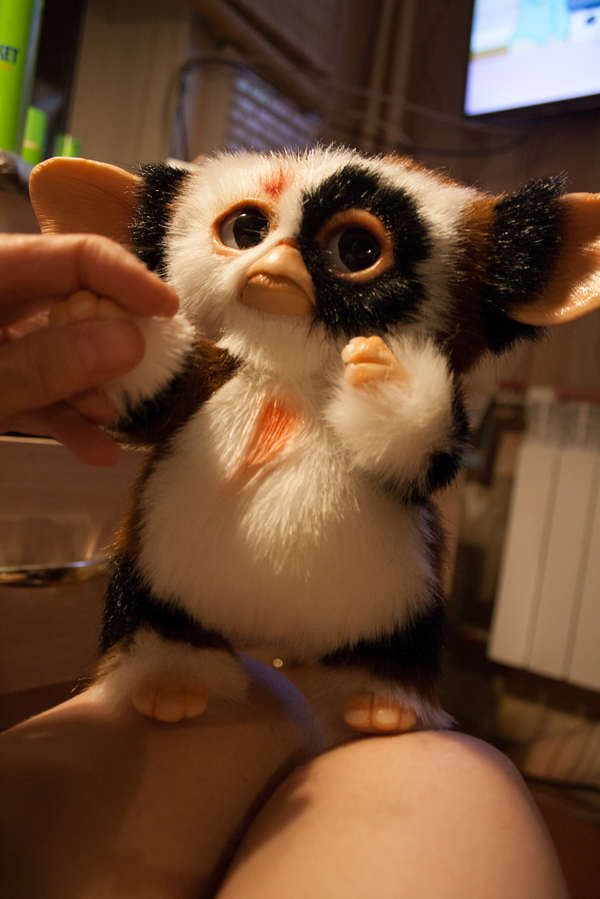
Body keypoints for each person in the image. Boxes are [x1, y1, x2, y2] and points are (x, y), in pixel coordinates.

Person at [0, 233, 569, 898]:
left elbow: (430, 463)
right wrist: (134, 353)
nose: (275, 260)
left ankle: (385, 670)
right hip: (181, 603)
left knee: (281, 701)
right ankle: (166, 646)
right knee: (443, 771)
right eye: (247, 231)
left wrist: (407, 407)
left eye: (355, 247)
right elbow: (149, 396)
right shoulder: (216, 356)